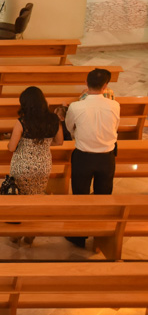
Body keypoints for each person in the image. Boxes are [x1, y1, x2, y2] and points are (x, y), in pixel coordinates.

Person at [64, 68, 120, 248]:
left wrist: (81, 135)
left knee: (80, 197)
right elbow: (115, 127)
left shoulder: (76, 106)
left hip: (83, 157)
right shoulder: (115, 105)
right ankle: (100, 235)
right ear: (106, 86)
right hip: (107, 157)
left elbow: (69, 127)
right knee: (103, 197)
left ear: (86, 84)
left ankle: (79, 236)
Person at [7, 87, 64, 195]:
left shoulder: (22, 121)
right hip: (43, 164)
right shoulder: (54, 119)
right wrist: (43, 143)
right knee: (38, 193)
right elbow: (59, 142)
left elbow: (12, 147)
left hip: (23, 164)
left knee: (22, 195)